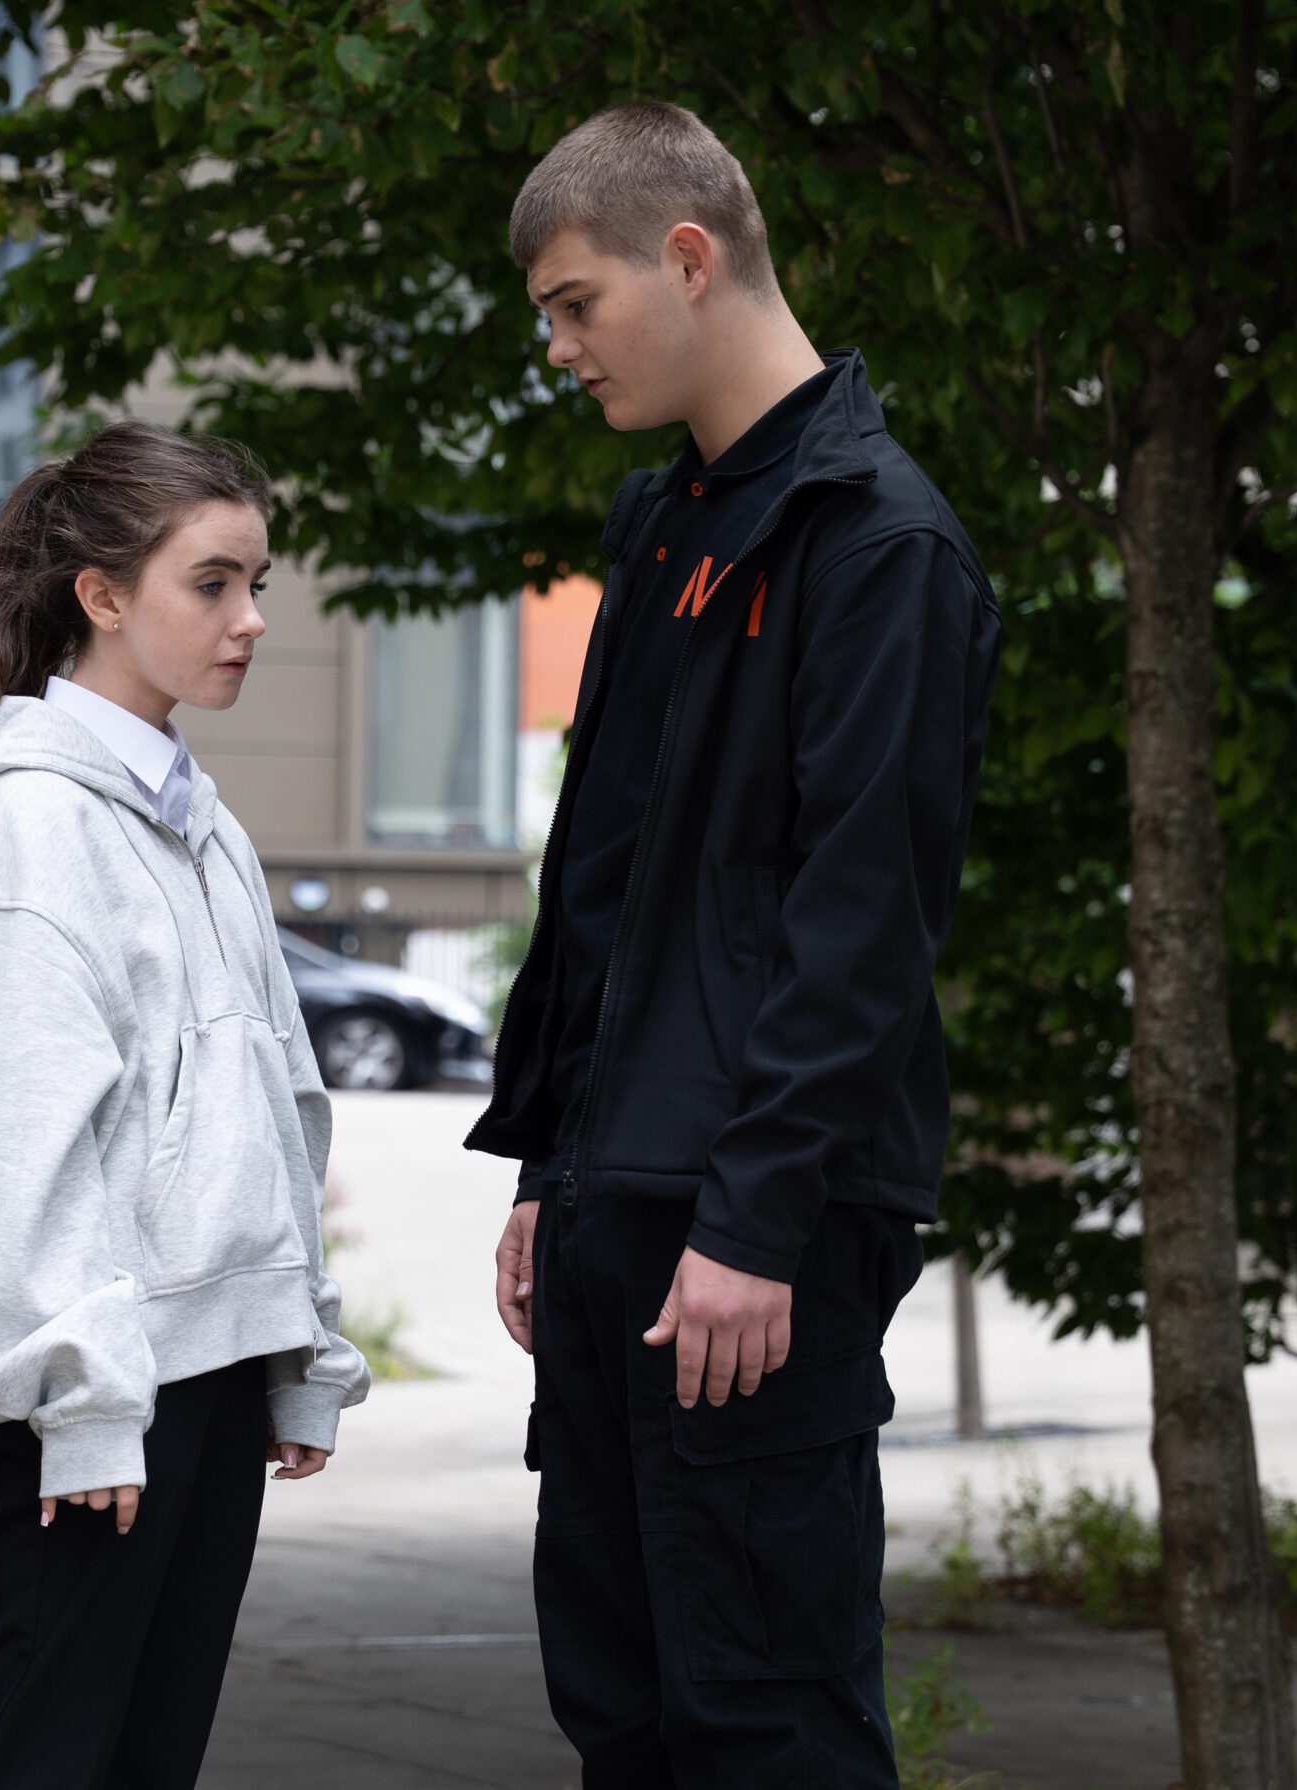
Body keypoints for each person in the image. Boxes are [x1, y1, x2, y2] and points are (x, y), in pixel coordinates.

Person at [467, 102, 1003, 1787]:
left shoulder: (881, 542)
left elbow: (863, 921)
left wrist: (756, 1220)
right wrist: (549, 1165)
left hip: (755, 1231)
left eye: (576, 304)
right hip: (618, 1203)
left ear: (688, 258)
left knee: (761, 1712)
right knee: (621, 1702)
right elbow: (605, 885)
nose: (559, 347)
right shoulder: (666, 530)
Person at [0, 421, 369, 1790]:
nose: (251, 620)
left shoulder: (203, 824)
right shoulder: (19, 826)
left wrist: (296, 1348)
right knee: (42, 1753)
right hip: (96, 1388)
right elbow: (6, 1151)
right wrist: (79, 1402)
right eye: (214, 583)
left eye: (258, 583)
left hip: (211, 1375)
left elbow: (280, 1100)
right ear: (103, 595)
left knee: (147, 1758)